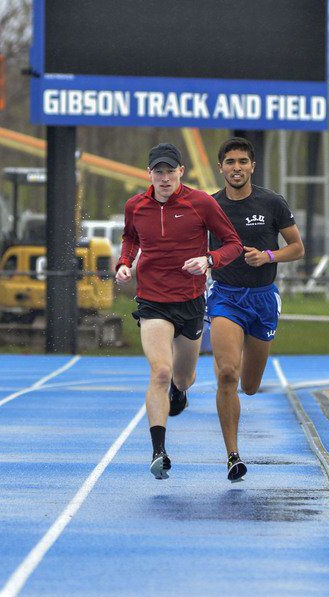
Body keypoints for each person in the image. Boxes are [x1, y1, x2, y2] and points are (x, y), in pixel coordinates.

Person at [115, 143, 243, 480]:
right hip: (153, 301)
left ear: (181, 172)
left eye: (170, 171)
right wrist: (125, 262)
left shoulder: (201, 203)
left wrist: (208, 260)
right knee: (159, 371)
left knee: (182, 376)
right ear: (149, 174)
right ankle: (159, 451)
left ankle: (179, 390)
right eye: (159, 172)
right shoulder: (135, 206)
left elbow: (233, 244)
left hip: (190, 302)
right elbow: (130, 238)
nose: (165, 177)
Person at [207, 137, 305, 482]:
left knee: (249, 385)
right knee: (226, 374)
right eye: (230, 162)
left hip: (262, 299)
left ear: (252, 166)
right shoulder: (209, 206)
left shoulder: (271, 202)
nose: (236, 168)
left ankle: (242, 398)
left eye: (242, 162)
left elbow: (297, 247)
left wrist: (268, 256)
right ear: (221, 167)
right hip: (225, 297)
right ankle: (233, 456)